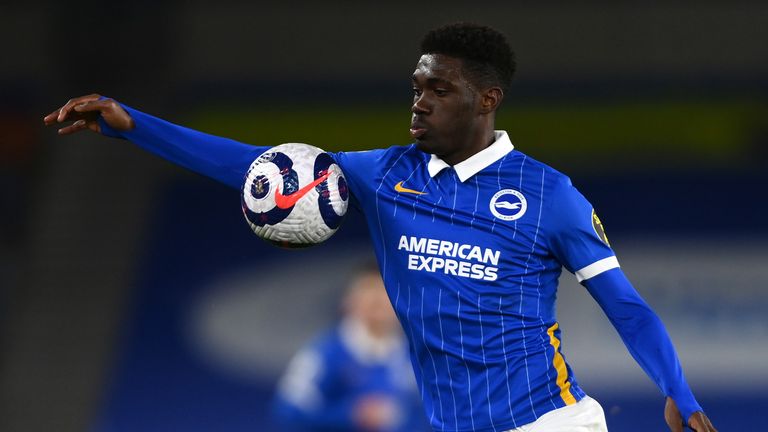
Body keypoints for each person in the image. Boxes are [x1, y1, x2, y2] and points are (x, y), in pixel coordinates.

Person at [44, 23, 717, 432]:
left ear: (488, 100)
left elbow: (624, 304)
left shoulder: (550, 197)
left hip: (548, 418)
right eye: (415, 86)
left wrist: (676, 391)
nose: (418, 102)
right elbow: (263, 167)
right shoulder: (384, 173)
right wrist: (135, 126)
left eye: (439, 91)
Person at [273, 262, 428, 432]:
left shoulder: (416, 355)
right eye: (368, 291)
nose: (378, 300)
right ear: (348, 301)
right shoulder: (324, 353)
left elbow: (433, 413)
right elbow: (288, 410)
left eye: (385, 291)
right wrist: (351, 414)